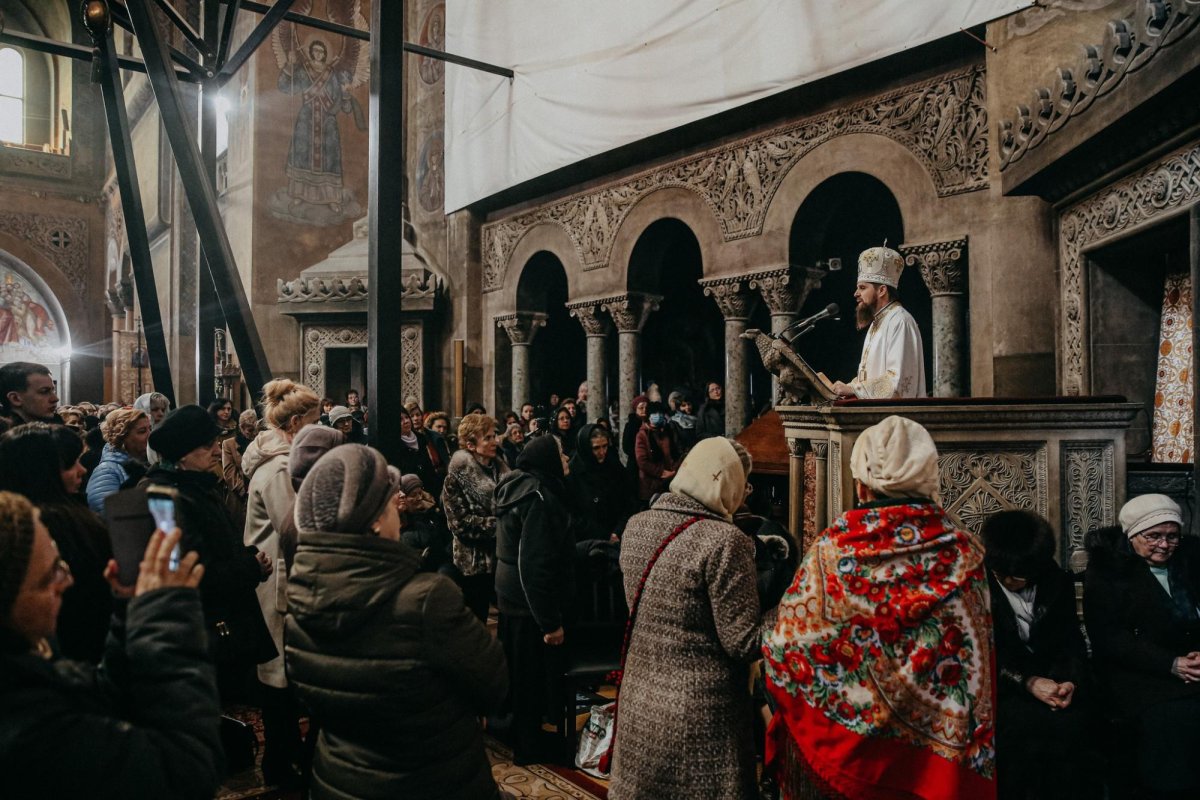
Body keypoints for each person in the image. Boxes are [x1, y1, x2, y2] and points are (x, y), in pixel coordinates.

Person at [763, 415, 994, 800]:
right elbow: (975, 662)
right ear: (929, 477)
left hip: (848, 761)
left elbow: (787, 648)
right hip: (934, 767)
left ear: (862, 484)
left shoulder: (833, 550)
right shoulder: (964, 554)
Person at [285, 444, 509, 800]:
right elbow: (494, 684)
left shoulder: (300, 601)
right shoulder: (425, 600)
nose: (398, 512)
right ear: (375, 520)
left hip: (341, 781)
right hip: (432, 779)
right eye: (391, 503)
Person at [0, 500, 223, 798]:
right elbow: (185, 772)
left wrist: (131, 613)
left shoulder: (22, 673)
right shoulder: (29, 736)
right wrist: (166, 619)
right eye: (49, 576)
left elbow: (97, 701)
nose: (67, 580)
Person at [609, 437, 773, 799]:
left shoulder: (637, 525)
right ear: (726, 482)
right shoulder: (725, 541)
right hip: (700, 719)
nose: (743, 496)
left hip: (639, 704)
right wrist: (794, 603)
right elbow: (743, 642)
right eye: (743, 485)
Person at [144, 405, 276, 699]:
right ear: (182, 452)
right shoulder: (165, 497)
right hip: (201, 632)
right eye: (207, 446)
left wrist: (246, 556)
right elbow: (188, 571)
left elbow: (216, 545)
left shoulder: (197, 487)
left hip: (220, 624)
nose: (217, 451)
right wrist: (249, 568)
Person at [1084, 494, 1200, 797]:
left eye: (1172, 536)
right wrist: (1171, 664)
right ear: (1132, 535)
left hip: (1193, 664)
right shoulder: (1107, 571)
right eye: (1154, 536)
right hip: (1138, 670)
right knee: (1174, 718)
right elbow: (1110, 638)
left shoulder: (1191, 562)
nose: (1164, 545)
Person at [980, 510, 1100, 799]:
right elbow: (982, 653)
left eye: (1020, 577)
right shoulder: (978, 585)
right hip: (1001, 685)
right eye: (1005, 576)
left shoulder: (1054, 580)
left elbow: (1070, 641)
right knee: (1021, 737)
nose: (1011, 582)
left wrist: (1069, 682)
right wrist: (1028, 682)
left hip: (1053, 681)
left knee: (1076, 730)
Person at [241, 379, 321, 787]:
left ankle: (291, 756)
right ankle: (282, 760)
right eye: (314, 421)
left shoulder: (287, 461)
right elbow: (294, 530)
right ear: (294, 424)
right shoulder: (277, 469)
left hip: (284, 580)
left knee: (288, 677)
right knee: (278, 680)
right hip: (277, 582)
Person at [0, 423, 113, 663]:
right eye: (71, 464)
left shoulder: (20, 526)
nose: (82, 470)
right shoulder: (54, 526)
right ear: (42, 472)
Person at [494, 435, 576, 764]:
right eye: (561, 453)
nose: (566, 458)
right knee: (530, 677)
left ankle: (522, 735)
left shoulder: (518, 486)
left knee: (520, 673)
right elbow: (534, 563)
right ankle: (529, 746)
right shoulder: (539, 496)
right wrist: (550, 622)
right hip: (528, 601)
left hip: (511, 595)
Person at [831, 246, 927, 399]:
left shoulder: (900, 321)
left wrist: (854, 389)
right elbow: (869, 377)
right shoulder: (877, 323)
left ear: (882, 290)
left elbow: (897, 381)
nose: (856, 293)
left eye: (862, 288)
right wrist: (848, 387)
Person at [442, 413, 509, 622]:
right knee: (475, 621)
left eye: (494, 436)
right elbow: (460, 524)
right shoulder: (455, 479)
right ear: (471, 445)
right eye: (487, 438)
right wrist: (502, 526)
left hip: (503, 559)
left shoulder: (503, 472)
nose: (494, 441)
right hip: (474, 563)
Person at [568, 422, 634, 554]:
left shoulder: (614, 466)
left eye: (605, 446)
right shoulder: (572, 472)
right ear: (586, 448)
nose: (602, 452)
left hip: (618, 537)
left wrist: (618, 531)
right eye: (596, 448)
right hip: (587, 543)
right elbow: (571, 515)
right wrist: (604, 535)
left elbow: (629, 500)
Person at [86, 407, 151, 514]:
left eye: (150, 429)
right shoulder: (107, 471)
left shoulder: (148, 464)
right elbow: (108, 513)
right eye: (142, 431)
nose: (150, 435)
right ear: (122, 437)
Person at [634, 401, 681, 504]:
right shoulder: (642, 435)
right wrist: (661, 473)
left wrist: (674, 469)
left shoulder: (667, 431)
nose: (658, 416)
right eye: (655, 413)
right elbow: (642, 461)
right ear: (649, 415)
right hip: (651, 484)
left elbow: (675, 452)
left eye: (660, 413)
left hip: (670, 481)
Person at [397, 408, 437, 491]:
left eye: (407, 417)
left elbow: (429, 467)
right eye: (400, 419)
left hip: (427, 489)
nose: (406, 421)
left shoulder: (420, 438)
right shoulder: (395, 444)